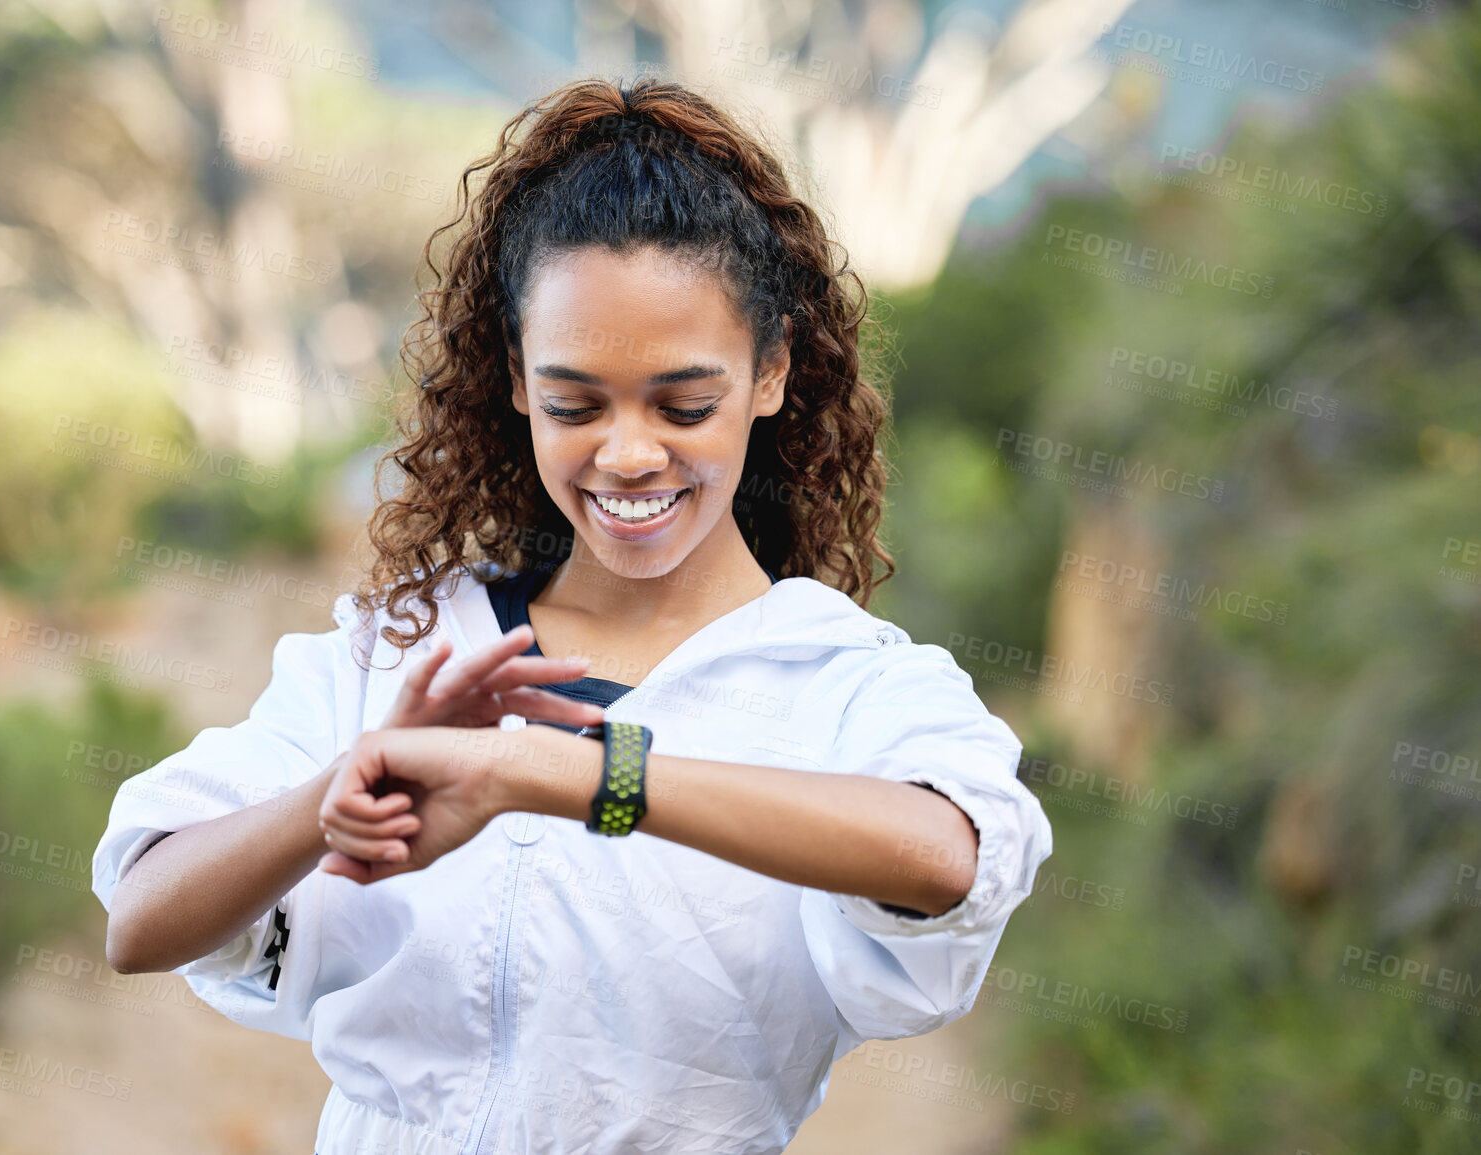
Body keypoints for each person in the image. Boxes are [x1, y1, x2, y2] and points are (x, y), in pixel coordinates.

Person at [93, 74, 1054, 1155]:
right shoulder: (402, 647)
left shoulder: (845, 681)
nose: (630, 453)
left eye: (685, 405)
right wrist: (343, 785)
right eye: (574, 403)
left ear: (773, 371)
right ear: (513, 380)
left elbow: (948, 854)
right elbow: (142, 919)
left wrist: (554, 773)